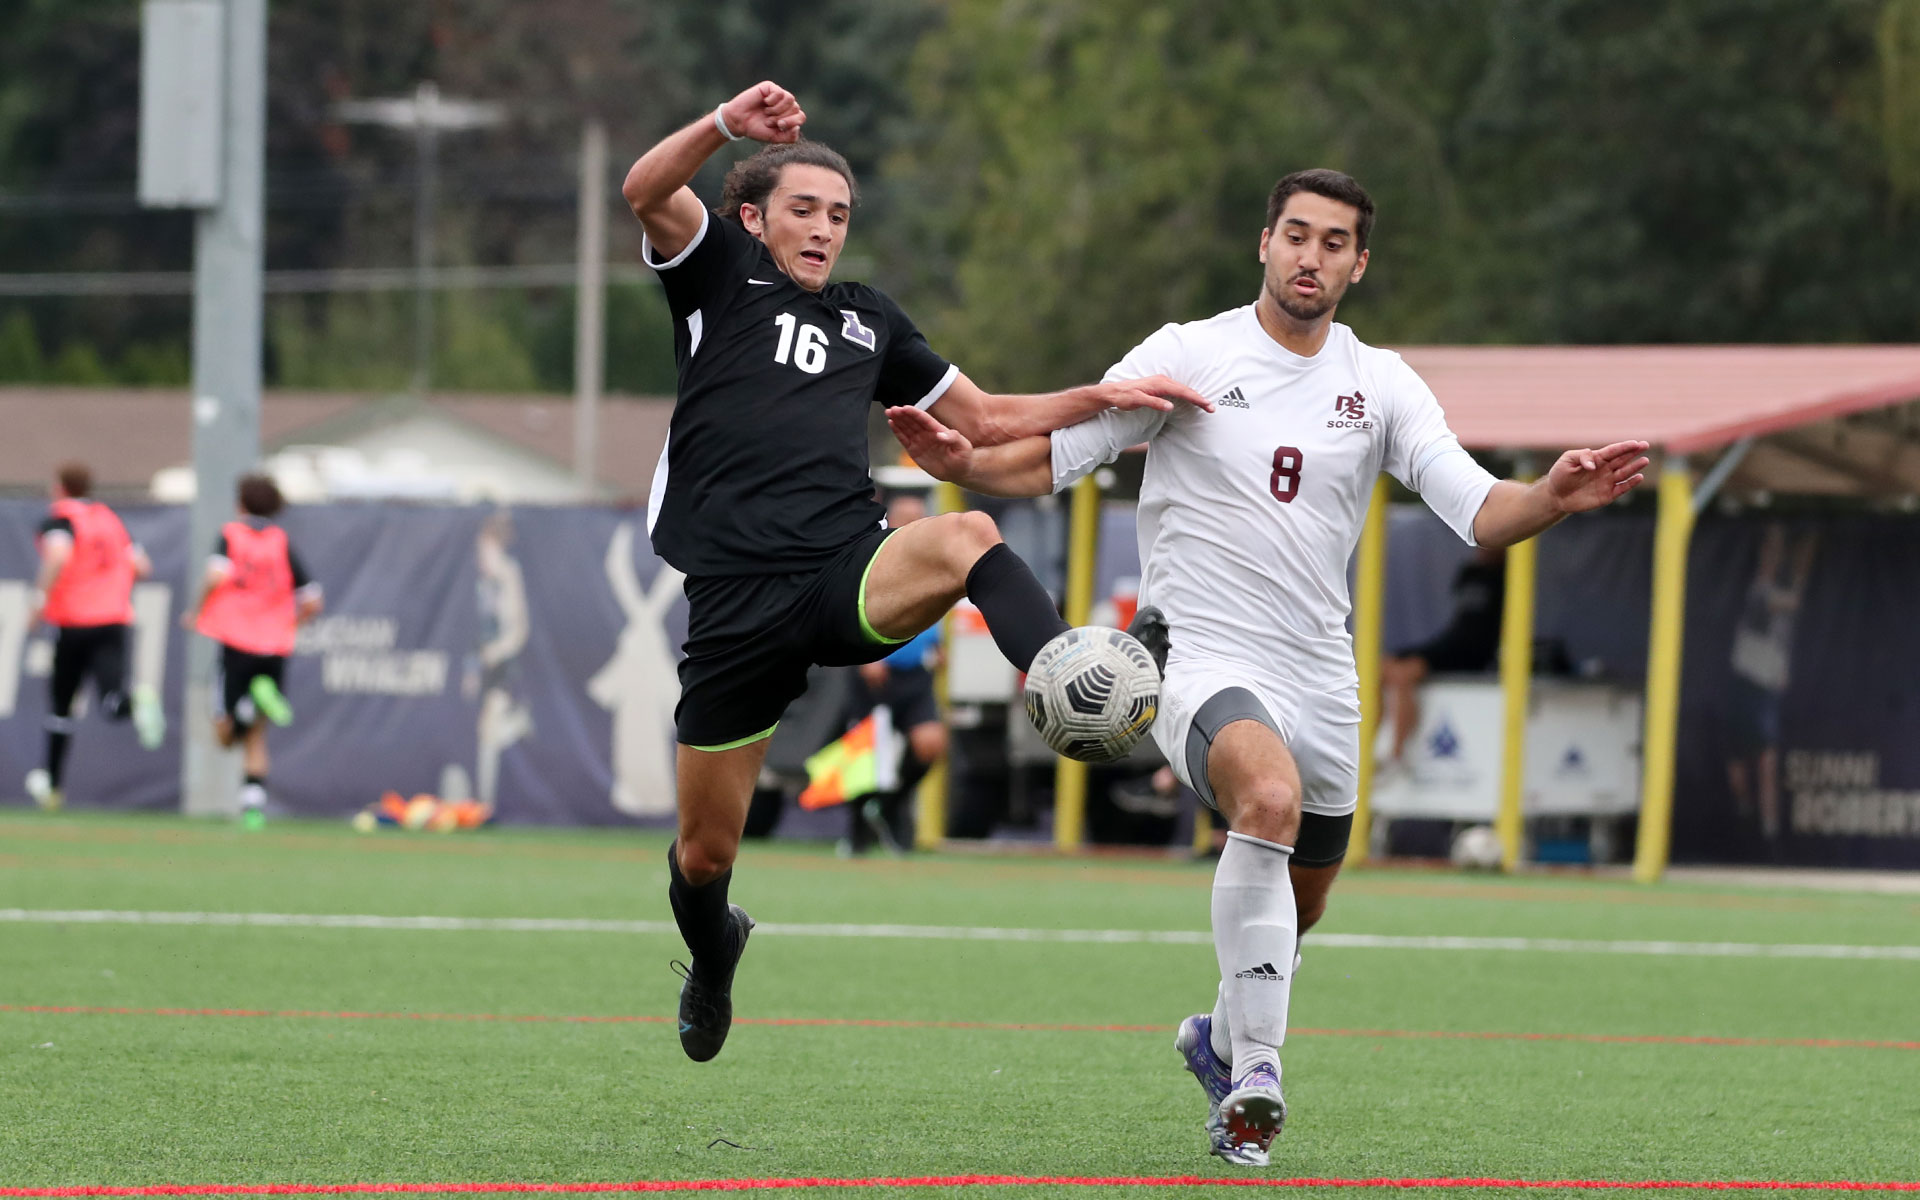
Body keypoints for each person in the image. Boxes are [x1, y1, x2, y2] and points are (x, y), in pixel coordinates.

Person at [888, 168, 1648, 1165]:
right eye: (1296, 234)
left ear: (1358, 265)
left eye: (1334, 242)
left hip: (1321, 670)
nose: (1310, 256)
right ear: (1264, 242)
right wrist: (966, 465)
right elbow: (1056, 458)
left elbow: (1476, 510)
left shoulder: (1382, 382)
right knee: (1269, 800)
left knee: (1305, 903)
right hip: (1200, 652)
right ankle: (1256, 1077)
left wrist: (1550, 494)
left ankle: (1217, 1037)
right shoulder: (1189, 353)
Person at [620, 80, 1210, 1064]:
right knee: (704, 855)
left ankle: (1073, 672)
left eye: (839, 214)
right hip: (734, 603)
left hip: (844, 567)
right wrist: (725, 125)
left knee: (966, 532)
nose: (824, 229)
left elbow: (986, 419)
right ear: (753, 218)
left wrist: (1110, 397)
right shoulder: (719, 272)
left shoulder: (870, 321)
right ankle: (715, 953)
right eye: (804, 209)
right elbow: (644, 189)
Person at [182, 474, 324, 831]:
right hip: (274, 646)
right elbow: (312, 599)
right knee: (257, 737)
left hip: (236, 642)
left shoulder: (232, 535)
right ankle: (253, 809)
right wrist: (290, 626)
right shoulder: (281, 541)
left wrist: (197, 611)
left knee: (224, 733)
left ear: (240, 503)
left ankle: (243, 710)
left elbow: (216, 576)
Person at [24, 462, 165, 810]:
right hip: (113, 620)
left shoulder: (62, 519)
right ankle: (136, 702)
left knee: (61, 708)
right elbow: (142, 567)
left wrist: (39, 601)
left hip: (74, 622)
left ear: (60, 487)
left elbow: (57, 555)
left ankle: (53, 786)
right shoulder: (109, 520)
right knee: (111, 702)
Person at [839, 492, 947, 855]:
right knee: (864, 756)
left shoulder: (935, 562)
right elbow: (847, 603)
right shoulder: (872, 557)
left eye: (920, 517)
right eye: (907, 518)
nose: (914, 525)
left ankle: (891, 805)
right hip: (875, 671)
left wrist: (938, 647)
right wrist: (864, 656)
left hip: (915, 675)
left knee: (930, 744)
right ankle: (858, 832)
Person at [1380, 544, 1506, 765]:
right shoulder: (1471, 572)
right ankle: (1367, 741)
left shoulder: (1507, 576)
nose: (1483, 550)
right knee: (1381, 667)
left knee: (1404, 675)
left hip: (1472, 651)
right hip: (1451, 642)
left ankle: (1397, 753)